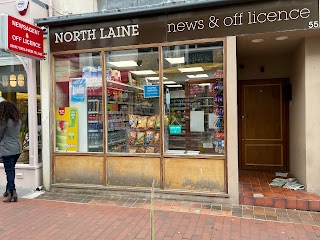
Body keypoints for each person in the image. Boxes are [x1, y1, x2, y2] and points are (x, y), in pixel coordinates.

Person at [0, 100, 22, 202]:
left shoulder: (4, 121)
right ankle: (7, 190)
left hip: (7, 149)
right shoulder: (18, 121)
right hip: (17, 148)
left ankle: (13, 192)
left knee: (9, 171)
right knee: (11, 170)